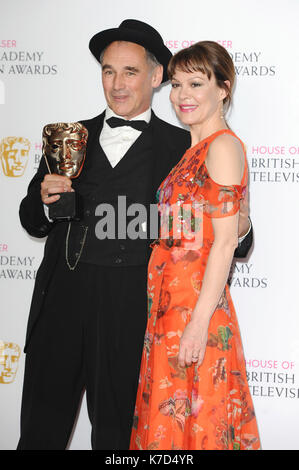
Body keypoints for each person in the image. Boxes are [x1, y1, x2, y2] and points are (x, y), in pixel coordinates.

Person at [17, 21, 252, 450]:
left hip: (134, 313)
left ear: (156, 76)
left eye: (129, 72)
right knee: (38, 435)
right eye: (108, 71)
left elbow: (231, 239)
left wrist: (244, 220)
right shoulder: (69, 137)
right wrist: (45, 201)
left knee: (119, 440)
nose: (117, 83)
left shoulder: (187, 145)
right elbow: (31, 221)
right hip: (61, 306)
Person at [130, 41, 260, 450]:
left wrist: (199, 325)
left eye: (196, 83)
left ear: (223, 88)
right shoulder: (191, 152)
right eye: (176, 83)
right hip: (169, 311)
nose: (182, 95)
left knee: (200, 427)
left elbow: (223, 247)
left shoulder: (221, 146)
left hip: (194, 313)